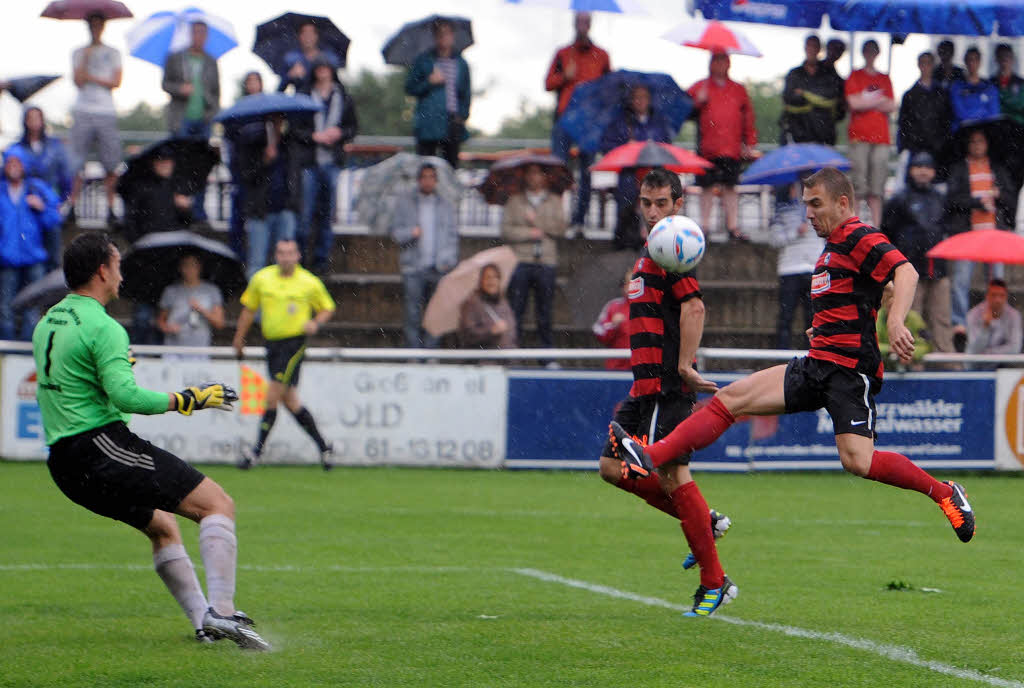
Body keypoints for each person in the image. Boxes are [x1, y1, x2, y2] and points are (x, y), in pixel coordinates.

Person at [611, 168, 977, 554]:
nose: (809, 213)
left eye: (816, 204)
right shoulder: (833, 247)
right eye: (806, 205)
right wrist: (834, 324)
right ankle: (648, 456)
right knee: (732, 399)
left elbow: (905, 271)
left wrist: (897, 320)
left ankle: (945, 492)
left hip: (850, 373)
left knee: (858, 461)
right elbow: (879, 288)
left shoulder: (858, 234)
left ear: (842, 203)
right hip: (818, 364)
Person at [32, 232, 268, 650]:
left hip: (63, 463)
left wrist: (109, 371)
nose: (121, 274)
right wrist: (189, 399)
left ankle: (203, 624)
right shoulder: (104, 327)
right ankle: (224, 613)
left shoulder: (49, 320)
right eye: (117, 265)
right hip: (98, 447)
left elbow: (80, 386)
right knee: (217, 504)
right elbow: (127, 398)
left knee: (162, 526)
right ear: (103, 270)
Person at [600, 167, 735, 618]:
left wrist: (684, 365)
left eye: (662, 203)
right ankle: (704, 523)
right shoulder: (650, 253)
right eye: (646, 202)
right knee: (611, 468)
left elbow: (695, 306)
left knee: (673, 477)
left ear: (679, 205)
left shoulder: (672, 251)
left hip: (665, 387)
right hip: (644, 388)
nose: (653, 211)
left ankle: (714, 582)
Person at [233, 239, 336, 470]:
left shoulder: (309, 282)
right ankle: (324, 447)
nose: (286, 257)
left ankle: (255, 452)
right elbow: (249, 309)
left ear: (298, 256)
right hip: (272, 344)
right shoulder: (262, 279)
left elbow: (327, 307)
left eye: (290, 253)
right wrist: (239, 338)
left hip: (294, 344)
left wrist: (315, 323)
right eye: (281, 252)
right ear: (276, 255)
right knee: (290, 401)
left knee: (272, 395)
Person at [946, 128, 1017, 339]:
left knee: (997, 280)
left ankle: (996, 320)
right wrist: (977, 203)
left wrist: (998, 195)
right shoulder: (960, 169)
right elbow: (952, 199)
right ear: (968, 145)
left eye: (981, 142)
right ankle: (959, 324)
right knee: (960, 281)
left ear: (986, 144)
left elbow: (1010, 197)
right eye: (973, 142)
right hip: (968, 234)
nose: (977, 146)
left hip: (994, 234)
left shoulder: (997, 169)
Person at [881, 151, 953, 354]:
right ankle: (911, 359)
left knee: (941, 318)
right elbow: (886, 234)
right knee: (912, 317)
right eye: (918, 167)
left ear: (933, 172)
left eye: (927, 167)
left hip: (938, 269)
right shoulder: (899, 199)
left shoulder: (940, 198)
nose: (923, 172)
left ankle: (946, 361)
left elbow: (946, 228)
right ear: (911, 170)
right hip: (910, 270)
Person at [545, 11, 611, 228]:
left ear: (590, 25)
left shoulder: (602, 55)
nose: (583, 25)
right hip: (565, 119)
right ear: (575, 24)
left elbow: (609, 86)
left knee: (587, 172)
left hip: (590, 122)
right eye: (580, 21)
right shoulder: (563, 53)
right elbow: (548, 83)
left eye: (586, 22)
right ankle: (555, 217)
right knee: (558, 168)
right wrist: (565, 76)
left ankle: (579, 221)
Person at [296, 59, 358, 275]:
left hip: (332, 161)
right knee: (305, 214)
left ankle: (321, 260)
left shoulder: (343, 96)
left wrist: (339, 133)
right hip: (310, 161)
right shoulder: (304, 95)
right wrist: (313, 136)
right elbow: (295, 129)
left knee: (326, 214)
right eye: (319, 69)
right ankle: (300, 259)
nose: (323, 73)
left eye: (326, 69)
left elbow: (352, 126)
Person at [689, 52, 757, 242]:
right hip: (707, 146)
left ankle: (732, 227)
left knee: (730, 187)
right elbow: (684, 110)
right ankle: (705, 227)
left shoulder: (738, 89)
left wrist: (749, 143)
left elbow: (748, 118)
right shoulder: (701, 86)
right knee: (706, 187)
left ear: (729, 64)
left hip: (731, 147)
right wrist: (697, 102)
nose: (720, 65)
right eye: (716, 61)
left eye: (723, 61)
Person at [389, 163, 459, 349]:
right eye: (424, 177)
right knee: (412, 312)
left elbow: (452, 236)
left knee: (435, 312)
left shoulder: (445, 205)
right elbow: (396, 234)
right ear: (418, 180)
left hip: (438, 267)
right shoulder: (405, 203)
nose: (428, 181)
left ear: (436, 181)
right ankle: (413, 351)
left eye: (431, 177)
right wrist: (411, 233)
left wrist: (449, 260)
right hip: (413, 267)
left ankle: (431, 351)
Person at [502, 163, 567, 351]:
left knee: (545, 311)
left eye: (538, 174)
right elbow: (506, 231)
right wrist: (529, 233)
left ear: (544, 177)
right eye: (530, 174)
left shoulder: (555, 200)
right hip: (521, 260)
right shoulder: (515, 201)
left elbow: (560, 229)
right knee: (516, 308)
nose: (533, 177)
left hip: (546, 261)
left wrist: (536, 221)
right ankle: (512, 350)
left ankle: (546, 353)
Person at [161, 19, 220, 223]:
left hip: (203, 122)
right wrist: (180, 89)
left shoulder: (211, 61)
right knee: (180, 167)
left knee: (202, 167)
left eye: (203, 33)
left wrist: (211, 112)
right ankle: (178, 211)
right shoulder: (176, 57)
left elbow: (217, 92)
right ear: (190, 34)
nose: (199, 37)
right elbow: (165, 84)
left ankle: (199, 212)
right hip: (181, 121)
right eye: (195, 33)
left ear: (206, 36)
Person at [0, 149, 62, 341]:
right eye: (10, 163)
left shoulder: (37, 188)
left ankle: (29, 349)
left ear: (25, 166)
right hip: (7, 258)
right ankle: (7, 348)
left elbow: (55, 218)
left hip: (34, 257)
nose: (13, 167)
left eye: (17, 163)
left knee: (33, 307)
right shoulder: (1, 190)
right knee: (5, 306)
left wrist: (41, 208)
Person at [68, 12, 122, 228]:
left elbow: (116, 81)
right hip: (83, 110)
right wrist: (87, 58)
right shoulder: (79, 52)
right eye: (92, 25)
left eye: (99, 25)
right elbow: (78, 81)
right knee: (75, 162)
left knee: (110, 162)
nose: (96, 29)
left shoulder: (113, 52)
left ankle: (110, 208)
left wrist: (93, 77)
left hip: (106, 111)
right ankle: (72, 206)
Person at [600, 85, 675, 238]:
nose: (640, 101)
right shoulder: (621, 122)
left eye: (644, 97)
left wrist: (651, 147)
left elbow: (666, 145)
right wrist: (626, 146)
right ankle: (625, 237)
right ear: (631, 101)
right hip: (629, 172)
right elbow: (607, 145)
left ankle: (652, 236)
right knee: (626, 204)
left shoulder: (658, 122)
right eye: (636, 97)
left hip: (653, 171)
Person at [7, 106, 72, 270]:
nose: (34, 122)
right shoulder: (18, 147)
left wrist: (61, 200)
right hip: (24, 201)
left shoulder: (54, 146)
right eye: (30, 118)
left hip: (48, 200)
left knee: (52, 240)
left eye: (37, 118)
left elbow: (65, 175)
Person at [405, 18, 471, 168]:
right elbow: (410, 88)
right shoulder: (424, 60)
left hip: (452, 122)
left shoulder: (461, 63)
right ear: (435, 36)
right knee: (426, 167)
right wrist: (429, 82)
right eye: (440, 33)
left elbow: (466, 93)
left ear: (453, 36)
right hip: (429, 123)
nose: (444, 37)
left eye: (447, 33)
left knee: (451, 167)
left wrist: (462, 115)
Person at [844, 39, 895, 225]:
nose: (870, 54)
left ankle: (876, 227)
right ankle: (855, 225)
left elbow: (891, 105)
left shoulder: (884, 78)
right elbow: (853, 103)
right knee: (858, 184)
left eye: (873, 50)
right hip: (859, 136)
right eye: (867, 50)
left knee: (877, 187)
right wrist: (877, 101)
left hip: (881, 138)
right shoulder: (855, 76)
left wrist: (866, 101)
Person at [769, 180, 823, 350]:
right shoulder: (781, 213)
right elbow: (775, 240)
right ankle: (781, 353)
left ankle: (814, 353)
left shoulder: (819, 212)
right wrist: (795, 233)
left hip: (814, 268)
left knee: (813, 318)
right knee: (786, 316)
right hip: (790, 269)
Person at [781, 35, 845, 145]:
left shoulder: (829, 75)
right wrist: (815, 98)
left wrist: (804, 93)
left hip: (823, 134)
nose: (811, 49)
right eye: (809, 46)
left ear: (819, 49)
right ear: (805, 48)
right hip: (796, 132)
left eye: (814, 46)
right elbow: (789, 98)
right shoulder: (795, 73)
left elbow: (831, 97)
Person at [897, 52, 952, 180]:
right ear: (918, 65)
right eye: (923, 63)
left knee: (937, 184)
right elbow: (903, 123)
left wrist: (942, 143)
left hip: (937, 149)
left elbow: (946, 121)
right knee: (914, 184)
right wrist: (905, 146)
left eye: (929, 63)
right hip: (915, 148)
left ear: (933, 66)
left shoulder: (942, 94)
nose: (925, 67)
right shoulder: (909, 95)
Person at [156, 254, 225, 347]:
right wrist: (168, 328)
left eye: (193, 265)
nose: (189, 270)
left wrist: (201, 309)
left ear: (200, 267)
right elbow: (160, 321)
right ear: (180, 268)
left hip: (200, 347)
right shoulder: (170, 291)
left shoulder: (212, 290)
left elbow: (219, 323)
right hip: (173, 348)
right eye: (186, 265)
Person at [457, 263, 516, 349]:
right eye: (488, 277)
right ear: (481, 281)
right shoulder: (472, 303)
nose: (492, 281)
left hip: (508, 357)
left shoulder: (503, 302)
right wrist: (491, 332)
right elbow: (468, 335)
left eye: (495, 277)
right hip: (485, 357)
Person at [278, 19, 340, 94]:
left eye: (311, 33)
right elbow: (280, 90)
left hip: (324, 101)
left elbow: (337, 83)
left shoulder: (329, 57)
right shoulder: (290, 59)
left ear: (316, 36)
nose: (308, 37)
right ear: (299, 36)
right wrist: (290, 76)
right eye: (304, 33)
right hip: (302, 101)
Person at [966, 279, 1022, 361]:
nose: (997, 300)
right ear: (987, 296)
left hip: (1003, 364)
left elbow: (1015, 348)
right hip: (978, 365)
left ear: (1006, 297)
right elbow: (975, 351)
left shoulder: (1014, 316)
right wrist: (985, 328)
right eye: (994, 295)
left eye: (1001, 296)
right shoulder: (973, 315)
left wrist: (988, 353)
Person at [993, 43, 1024, 191]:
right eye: (1001, 57)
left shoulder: (1020, 83)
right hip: (996, 139)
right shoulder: (991, 83)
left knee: (1015, 182)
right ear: (996, 59)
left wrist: (1004, 101)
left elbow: (1020, 105)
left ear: (1012, 59)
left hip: (1017, 139)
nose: (1005, 60)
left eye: (1008, 57)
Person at [877, 288, 931, 370]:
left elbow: (926, 345)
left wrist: (910, 353)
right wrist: (889, 349)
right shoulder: (876, 318)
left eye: (898, 306)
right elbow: (870, 344)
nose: (894, 310)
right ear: (885, 305)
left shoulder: (915, 318)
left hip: (910, 367)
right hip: (882, 367)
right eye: (890, 306)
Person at [949, 46, 1001, 132]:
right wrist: (980, 102)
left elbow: (994, 114)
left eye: (975, 59)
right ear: (965, 61)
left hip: (984, 132)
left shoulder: (990, 88)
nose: (972, 62)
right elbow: (960, 113)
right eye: (969, 59)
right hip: (962, 131)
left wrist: (971, 101)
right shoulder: (956, 86)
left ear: (980, 62)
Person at [592, 268, 632, 371]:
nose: (630, 286)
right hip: (616, 369)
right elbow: (599, 332)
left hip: (642, 371)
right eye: (627, 283)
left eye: (634, 282)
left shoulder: (648, 308)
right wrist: (612, 325)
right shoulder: (613, 306)